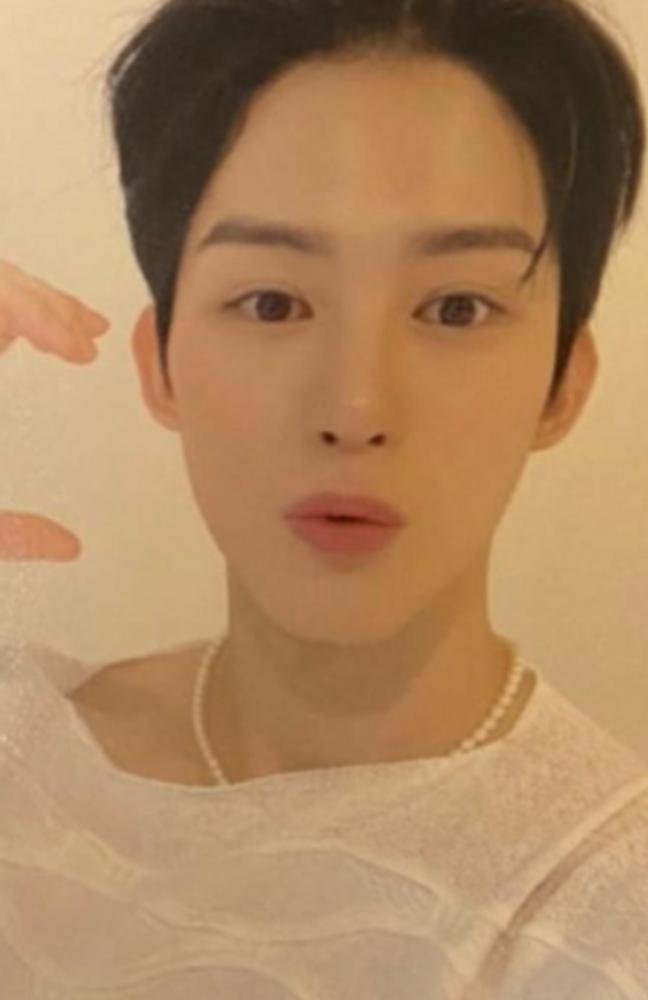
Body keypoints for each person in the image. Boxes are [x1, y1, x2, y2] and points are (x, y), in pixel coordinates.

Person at [1, 0, 647, 996]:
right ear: (160, 364)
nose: (356, 407)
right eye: (272, 302)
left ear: (563, 384)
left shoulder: (606, 904)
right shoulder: (21, 739)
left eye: (456, 307)